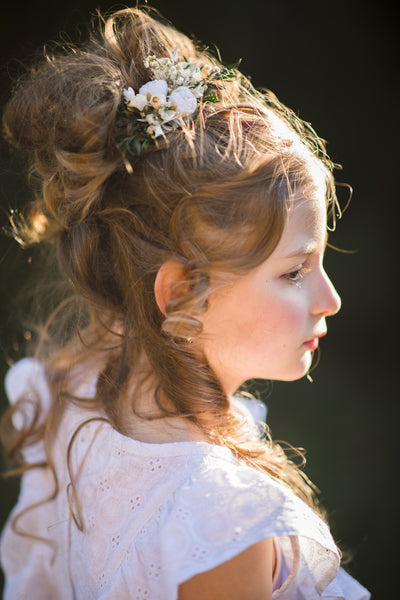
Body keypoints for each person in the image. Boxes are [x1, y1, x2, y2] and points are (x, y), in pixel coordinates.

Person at [0, 7, 370, 599]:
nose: (330, 299)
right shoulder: (221, 527)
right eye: (294, 271)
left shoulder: (75, 393)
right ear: (178, 294)